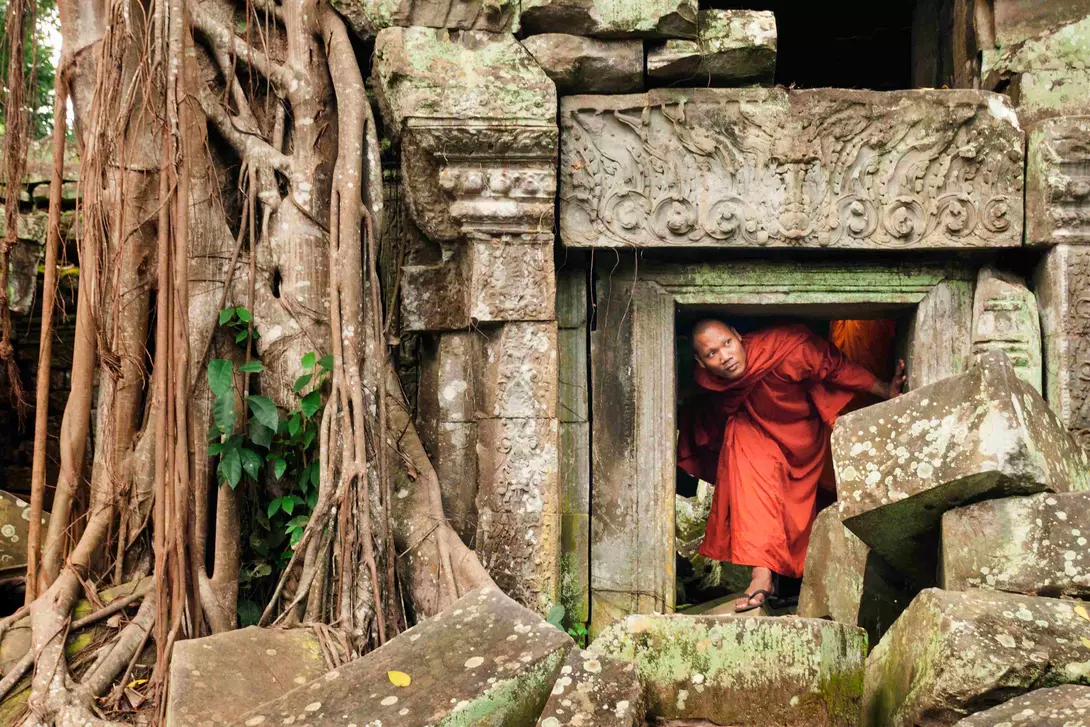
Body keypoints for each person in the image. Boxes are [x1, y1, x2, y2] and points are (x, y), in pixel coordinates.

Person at [677, 320, 906, 612]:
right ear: (701, 362)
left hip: (801, 431)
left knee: (809, 504)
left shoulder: (787, 346)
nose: (725, 356)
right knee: (750, 477)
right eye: (711, 354)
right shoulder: (709, 380)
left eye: (727, 343)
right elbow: (706, 409)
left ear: (738, 335)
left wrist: (885, 389)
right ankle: (761, 575)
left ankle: (802, 579)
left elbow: (837, 367)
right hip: (756, 431)